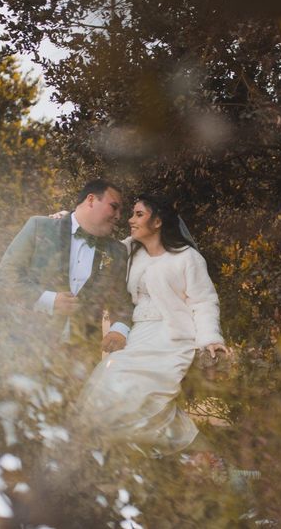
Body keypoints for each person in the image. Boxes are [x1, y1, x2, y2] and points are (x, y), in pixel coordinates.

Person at [75, 193, 230, 456]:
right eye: (131, 214)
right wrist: (67, 220)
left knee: (145, 401)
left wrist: (210, 339)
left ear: (157, 222)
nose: (130, 220)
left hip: (172, 338)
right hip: (137, 336)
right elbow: (95, 245)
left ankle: (208, 463)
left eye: (138, 214)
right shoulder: (128, 251)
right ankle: (207, 460)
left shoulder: (187, 258)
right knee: (106, 393)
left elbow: (203, 302)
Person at [0, 179, 133, 371]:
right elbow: (6, 275)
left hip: (80, 361)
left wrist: (119, 330)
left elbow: (123, 303)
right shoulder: (39, 227)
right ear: (91, 200)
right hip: (26, 349)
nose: (119, 216)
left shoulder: (116, 251)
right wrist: (48, 300)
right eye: (114, 207)